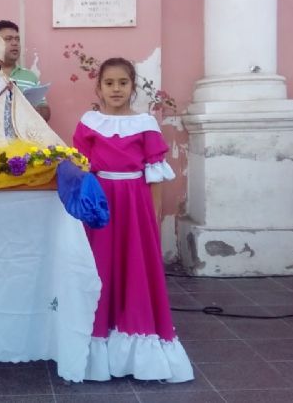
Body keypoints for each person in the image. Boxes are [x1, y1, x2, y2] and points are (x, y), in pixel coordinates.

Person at [72, 58, 193, 383]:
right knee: (101, 269)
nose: (116, 89)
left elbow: (154, 177)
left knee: (135, 269)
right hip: (100, 206)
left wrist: (152, 218)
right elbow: (81, 169)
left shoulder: (145, 124)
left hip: (135, 205)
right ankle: (97, 342)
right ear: (99, 87)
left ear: (132, 87)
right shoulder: (89, 122)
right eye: (109, 83)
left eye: (123, 83)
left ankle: (135, 347)